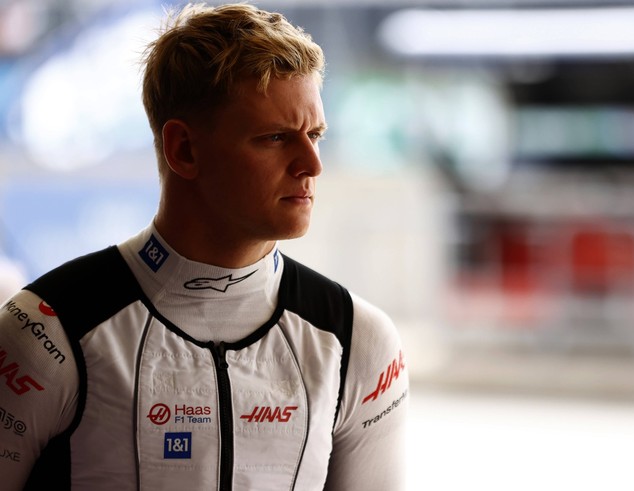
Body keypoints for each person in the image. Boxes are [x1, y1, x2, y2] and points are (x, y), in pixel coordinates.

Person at [0, 3, 408, 490]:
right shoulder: (45, 331)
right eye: (276, 138)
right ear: (184, 150)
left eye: (315, 134)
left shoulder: (358, 340)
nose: (312, 164)